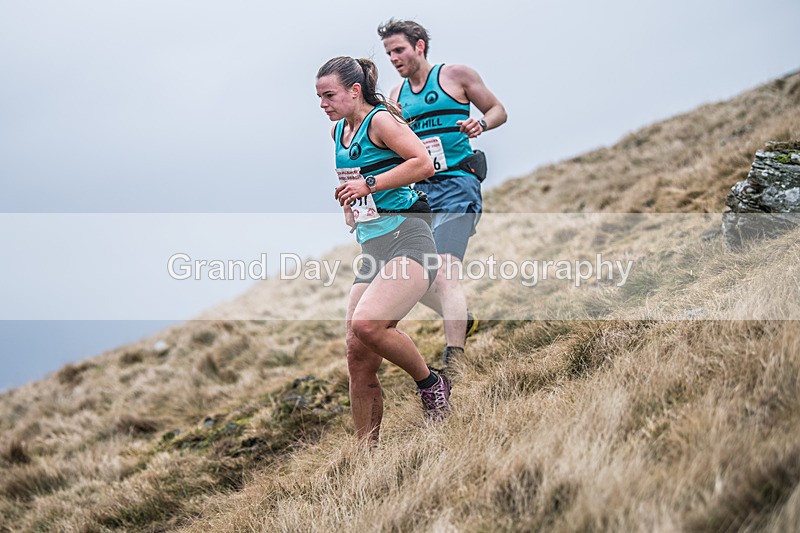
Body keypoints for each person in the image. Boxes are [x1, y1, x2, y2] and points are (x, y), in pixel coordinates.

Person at [316, 56, 451, 444]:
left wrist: (369, 184)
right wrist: (349, 201)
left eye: (329, 95)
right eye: (319, 97)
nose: (323, 104)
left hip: (409, 236)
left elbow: (423, 163)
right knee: (357, 354)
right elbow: (354, 180)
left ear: (354, 91)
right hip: (373, 245)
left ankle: (431, 384)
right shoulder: (338, 132)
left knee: (368, 324)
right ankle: (366, 455)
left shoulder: (380, 120)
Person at [379, 20, 508, 367]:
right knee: (414, 278)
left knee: (446, 271)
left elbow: (498, 110)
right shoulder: (395, 96)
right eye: (389, 52)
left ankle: (456, 358)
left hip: (457, 186)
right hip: (420, 195)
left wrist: (480, 123)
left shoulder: (456, 76)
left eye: (399, 50)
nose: (393, 58)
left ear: (419, 46)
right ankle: (462, 318)